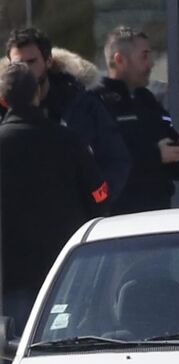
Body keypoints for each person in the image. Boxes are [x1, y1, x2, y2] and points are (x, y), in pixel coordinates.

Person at [0, 62, 109, 332]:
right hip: (64, 268)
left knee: (11, 345)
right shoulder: (68, 140)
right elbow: (99, 193)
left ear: (3, 100)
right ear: (38, 94)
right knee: (60, 341)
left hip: (10, 272)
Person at [4, 27, 130, 203]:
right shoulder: (3, 111)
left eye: (31, 62)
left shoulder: (81, 105)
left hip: (73, 212)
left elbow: (115, 160)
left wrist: (95, 203)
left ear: (48, 61)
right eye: (18, 65)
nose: (26, 70)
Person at [93, 26, 179, 215]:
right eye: (144, 57)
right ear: (120, 60)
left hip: (156, 215)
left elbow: (174, 166)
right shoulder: (95, 103)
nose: (151, 64)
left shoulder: (147, 100)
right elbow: (99, 163)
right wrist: (155, 156)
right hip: (117, 218)